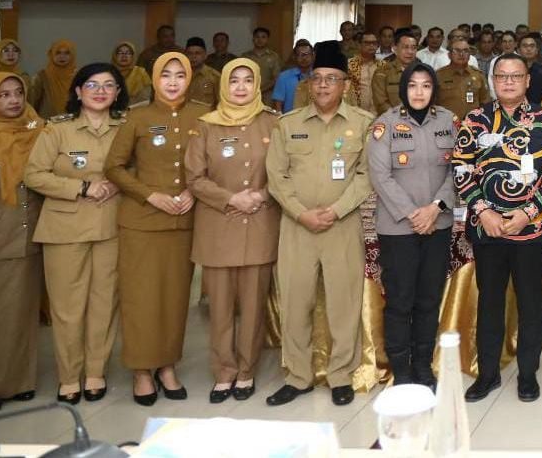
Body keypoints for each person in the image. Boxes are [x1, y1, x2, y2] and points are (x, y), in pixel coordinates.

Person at [264, 42, 374, 408]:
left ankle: (342, 374)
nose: (324, 85)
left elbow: (366, 176)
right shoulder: (288, 124)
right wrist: (300, 212)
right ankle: (298, 376)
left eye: (332, 79)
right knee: (296, 302)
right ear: (309, 85)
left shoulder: (363, 124)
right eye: (318, 79)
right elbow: (276, 176)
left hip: (342, 225)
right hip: (297, 227)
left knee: (344, 303)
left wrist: (337, 210)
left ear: (345, 85)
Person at [454, 52, 542, 404]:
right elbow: (461, 169)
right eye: (501, 76)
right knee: (490, 301)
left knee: (531, 302)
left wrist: (529, 213)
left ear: (527, 81)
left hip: (530, 230)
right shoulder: (476, 119)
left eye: (515, 76)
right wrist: (483, 210)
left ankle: (528, 374)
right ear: (492, 80)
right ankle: (487, 374)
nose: (507, 82)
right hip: (487, 229)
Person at [104, 52, 206, 406]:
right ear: (154, 79)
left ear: (189, 78)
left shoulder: (203, 115)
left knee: (176, 299)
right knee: (140, 299)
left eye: (180, 75)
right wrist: (150, 195)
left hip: (184, 223)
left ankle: (166, 366)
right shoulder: (138, 116)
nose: (173, 81)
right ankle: (141, 370)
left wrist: (195, 190)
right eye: (166, 75)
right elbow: (114, 167)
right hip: (142, 223)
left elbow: (210, 164)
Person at [25, 63, 126, 405]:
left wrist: (120, 183)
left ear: (117, 93)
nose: (100, 91)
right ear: (79, 91)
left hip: (112, 226)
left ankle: (96, 371)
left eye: (109, 85)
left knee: (104, 303)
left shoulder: (125, 129)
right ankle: (69, 376)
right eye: (92, 85)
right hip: (64, 228)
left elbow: (138, 169)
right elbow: (34, 175)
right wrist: (81, 187)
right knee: (67, 309)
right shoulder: (57, 131)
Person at [184, 58, 281, 404]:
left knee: (254, 306)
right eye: (234, 81)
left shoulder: (272, 122)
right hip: (218, 226)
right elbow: (194, 178)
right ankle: (223, 371)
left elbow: (285, 171)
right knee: (220, 307)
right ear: (224, 85)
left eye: (247, 80)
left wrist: (261, 194)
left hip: (260, 222)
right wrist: (231, 198)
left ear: (256, 85)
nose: (240, 87)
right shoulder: (205, 126)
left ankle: (246, 371)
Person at [367, 62, 456, 388]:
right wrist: (413, 214)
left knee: (429, 297)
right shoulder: (385, 124)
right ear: (404, 89)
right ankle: (401, 367)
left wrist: (434, 209)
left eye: (426, 86)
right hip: (398, 228)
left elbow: (456, 171)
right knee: (401, 298)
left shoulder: (448, 121)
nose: (419, 92)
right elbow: (380, 175)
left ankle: (422, 364)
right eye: (413, 86)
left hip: (438, 224)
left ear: (434, 89)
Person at [0, 73, 46, 408]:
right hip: (2, 229)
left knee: (19, 311)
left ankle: (17, 381)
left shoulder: (40, 130)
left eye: (17, 93)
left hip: (28, 232)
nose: (13, 100)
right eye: (3, 95)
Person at [438, 36, 491, 119]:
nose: (461, 54)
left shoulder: (478, 75)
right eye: (457, 51)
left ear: (470, 55)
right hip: (445, 125)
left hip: (473, 124)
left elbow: (486, 103)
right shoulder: (439, 75)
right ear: (449, 55)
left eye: (465, 51)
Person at [373, 29, 417, 115]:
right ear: (395, 49)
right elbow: (381, 103)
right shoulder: (382, 72)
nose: (410, 52)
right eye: (405, 47)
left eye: (413, 48)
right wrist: (402, 117)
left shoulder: (423, 72)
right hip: (392, 122)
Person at [30, 39, 78, 119]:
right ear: (51, 55)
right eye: (58, 53)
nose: (62, 56)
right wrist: (32, 124)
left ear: (72, 55)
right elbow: (33, 103)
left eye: (67, 53)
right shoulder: (42, 76)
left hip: (72, 123)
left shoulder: (78, 76)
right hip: (47, 123)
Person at [271, 41, 312, 113]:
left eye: (307, 54)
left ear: (313, 56)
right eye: (300, 55)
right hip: (290, 119)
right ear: (294, 57)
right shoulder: (284, 76)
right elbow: (278, 104)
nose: (304, 58)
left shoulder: (318, 76)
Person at [244, 27, 282, 98]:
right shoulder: (245, 57)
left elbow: (276, 78)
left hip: (268, 95)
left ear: (267, 39)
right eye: (257, 37)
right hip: (249, 95)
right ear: (253, 39)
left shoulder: (274, 57)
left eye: (263, 37)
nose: (260, 40)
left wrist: (261, 90)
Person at [111, 41, 151, 106]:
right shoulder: (108, 72)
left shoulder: (140, 72)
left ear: (133, 56)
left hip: (136, 109)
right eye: (120, 53)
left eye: (128, 53)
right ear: (115, 56)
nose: (124, 56)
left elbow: (146, 98)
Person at [519, 34, 542, 106]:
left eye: (532, 46)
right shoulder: (512, 71)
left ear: (537, 50)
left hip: (540, 111)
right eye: (525, 46)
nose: (528, 49)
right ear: (519, 50)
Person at [185, 37, 222, 107]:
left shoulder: (214, 77)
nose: (193, 57)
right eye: (190, 53)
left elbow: (221, 104)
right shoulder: (180, 76)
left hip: (206, 117)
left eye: (197, 53)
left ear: (205, 55)